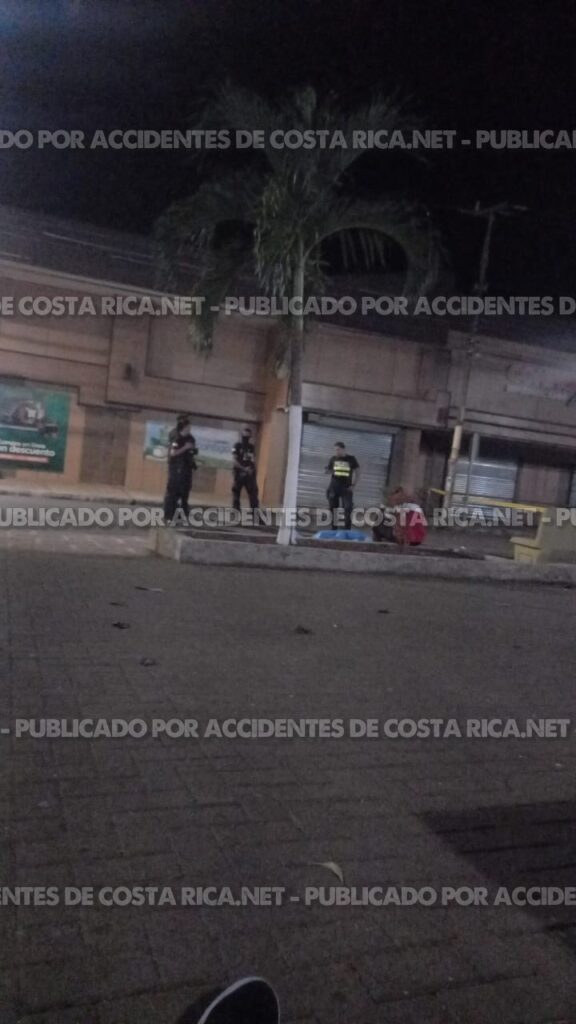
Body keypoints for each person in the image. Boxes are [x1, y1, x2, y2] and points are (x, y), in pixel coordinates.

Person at [163, 414, 198, 524]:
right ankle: (168, 515)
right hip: (176, 468)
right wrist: (185, 448)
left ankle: (182, 514)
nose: (190, 429)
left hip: (186, 468)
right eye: (188, 427)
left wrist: (192, 451)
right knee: (173, 491)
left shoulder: (191, 438)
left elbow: (192, 451)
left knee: (185, 491)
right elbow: (173, 453)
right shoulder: (176, 437)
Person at [325, 441, 360, 530]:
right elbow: (328, 471)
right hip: (334, 488)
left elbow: (358, 473)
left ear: (343, 449)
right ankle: (334, 528)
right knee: (333, 508)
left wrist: (353, 485)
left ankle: (346, 529)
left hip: (346, 488)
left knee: (348, 508)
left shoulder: (351, 459)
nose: (336, 452)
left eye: (338, 450)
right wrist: (327, 471)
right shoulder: (333, 459)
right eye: (335, 450)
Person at [232, 426, 259, 514]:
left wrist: (252, 470)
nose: (246, 438)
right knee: (236, 494)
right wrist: (243, 469)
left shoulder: (251, 447)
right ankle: (236, 512)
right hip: (239, 473)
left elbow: (253, 460)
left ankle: (255, 513)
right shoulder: (237, 446)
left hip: (249, 474)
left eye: (248, 436)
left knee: (253, 494)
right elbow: (234, 460)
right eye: (244, 436)